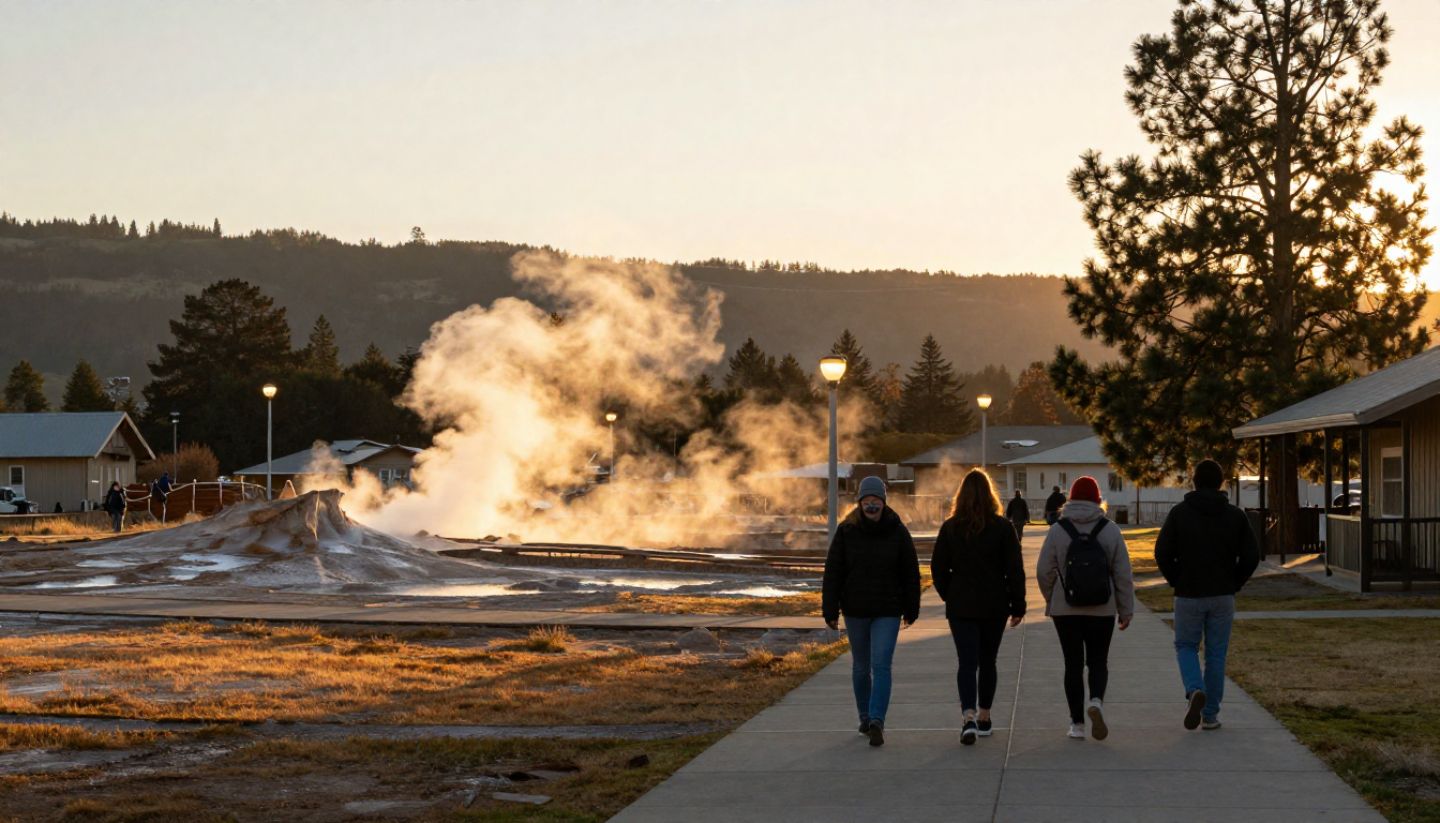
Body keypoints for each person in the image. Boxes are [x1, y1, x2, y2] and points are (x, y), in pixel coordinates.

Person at [1154, 459, 1260, 731]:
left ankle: (1194, 689)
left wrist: (1176, 579)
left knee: (1186, 646)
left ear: (1194, 481)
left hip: (1189, 592)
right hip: (1222, 593)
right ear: (1221, 483)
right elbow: (1251, 555)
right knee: (1216, 654)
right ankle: (1210, 714)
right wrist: (1235, 582)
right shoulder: (1235, 515)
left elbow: (1162, 552)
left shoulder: (1179, 513)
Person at [822, 475, 921, 748]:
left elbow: (910, 572)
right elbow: (833, 572)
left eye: (876, 500)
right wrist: (830, 608)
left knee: (881, 665)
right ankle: (864, 717)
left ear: (884, 501)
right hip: (855, 609)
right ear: (860, 502)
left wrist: (912, 607)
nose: (871, 505)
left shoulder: (898, 530)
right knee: (861, 667)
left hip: (888, 610)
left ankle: (877, 719)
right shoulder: (846, 530)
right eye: (867, 500)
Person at [931, 469, 1026, 745]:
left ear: (961, 497)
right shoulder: (1003, 528)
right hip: (994, 605)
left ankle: (968, 716)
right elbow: (1014, 569)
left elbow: (938, 568)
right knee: (988, 662)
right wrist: (1017, 604)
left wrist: (949, 593)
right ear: (990, 495)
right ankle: (985, 716)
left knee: (966, 662)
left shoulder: (950, 528)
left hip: (961, 605)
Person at [1036, 476, 1135, 740]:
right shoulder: (1110, 529)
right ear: (1097, 499)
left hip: (1065, 609)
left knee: (1072, 665)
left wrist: (1053, 598)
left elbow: (1043, 570)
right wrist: (1125, 609)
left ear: (1070, 499)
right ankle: (1096, 701)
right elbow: (1123, 573)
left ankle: (1077, 724)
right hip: (1102, 608)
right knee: (1098, 661)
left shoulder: (1058, 529)